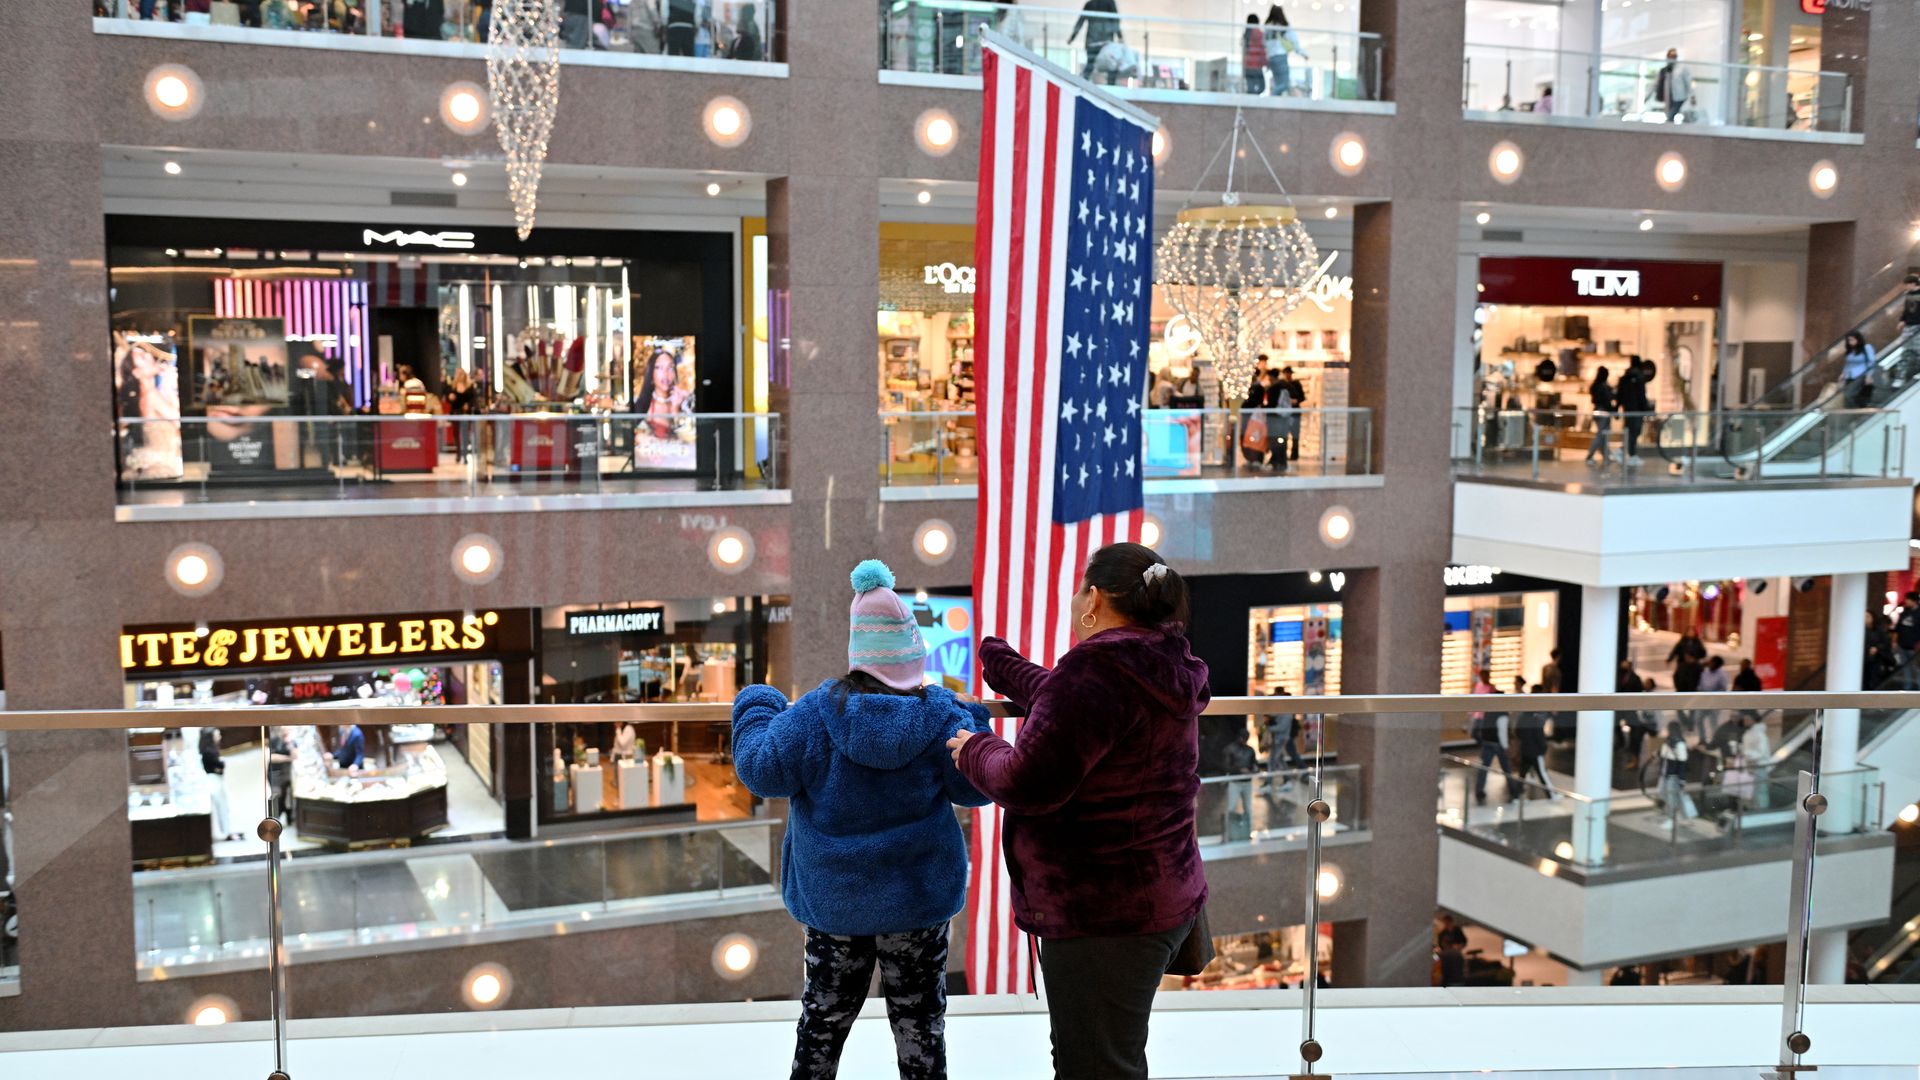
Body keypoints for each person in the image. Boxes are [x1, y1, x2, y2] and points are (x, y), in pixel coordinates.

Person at [948, 543, 1209, 1080]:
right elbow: (1075, 707)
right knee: (1107, 1056)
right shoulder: (1162, 661)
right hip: (1157, 895)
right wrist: (1004, 665)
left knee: (1094, 1067)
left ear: (1093, 599)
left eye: (1077, 590)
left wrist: (975, 746)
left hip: (1103, 913)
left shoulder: (1097, 668)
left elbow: (1027, 782)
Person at [732, 559, 990, 1080]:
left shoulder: (813, 714)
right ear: (914, 655)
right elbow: (975, 786)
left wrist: (758, 703)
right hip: (918, 903)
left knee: (823, 1024)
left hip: (835, 905)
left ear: (858, 653)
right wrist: (976, 719)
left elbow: (760, 769)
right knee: (920, 1026)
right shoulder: (943, 715)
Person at [1469, 669, 1512, 806]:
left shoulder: (1489, 711)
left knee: (1484, 768)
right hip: (1497, 744)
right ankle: (1514, 789)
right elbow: (1502, 732)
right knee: (1506, 768)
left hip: (1488, 741)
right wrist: (1506, 747)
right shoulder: (1502, 714)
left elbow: (1485, 726)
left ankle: (1479, 790)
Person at [198, 728, 244, 842]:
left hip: (216, 779)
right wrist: (221, 764)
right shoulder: (209, 752)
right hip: (214, 781)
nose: (220, 737)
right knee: (222, 807)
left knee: (224, 806)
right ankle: (227, 832)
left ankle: (228, 831)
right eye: (217, 735)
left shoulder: (209, 750)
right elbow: (219, 765)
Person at [1068, 0, 1121, 81]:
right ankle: (1109, 85)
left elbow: (1080, 21)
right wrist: (1120, 36)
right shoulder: (1109, 3)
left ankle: (1083, 83)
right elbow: (1115, 21)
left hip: (1093, 41)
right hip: (1104, 42)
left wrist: (1072, 37)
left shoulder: (1090, 4)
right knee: (1110, 65)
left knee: (1090, 65)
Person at [1615, 357, 1651, 465]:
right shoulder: (1639, 378)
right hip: (1636, 411)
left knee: (1630, 432)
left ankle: (1630, 454)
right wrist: (1646, 410)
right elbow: (1641, 396)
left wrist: (1617, 408)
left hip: (1627, 410)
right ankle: (1627, 453)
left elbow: (1619, 395)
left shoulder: (1625, 378)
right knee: (1634, 432)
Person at [1657, 722, 1695, 824]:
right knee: (1664, 794)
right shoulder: (1669, 741)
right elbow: (1663, 754)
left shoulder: (1679, 743)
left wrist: (1682, 779)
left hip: (1674, 775)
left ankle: (1676, 818)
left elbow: (1682, 763)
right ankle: (1676, 816)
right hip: (1666, 773)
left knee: (1674, 797)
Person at [1263, 6, 1305, 97]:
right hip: (1280, 56)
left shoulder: (1267, 27)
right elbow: (1294, 41)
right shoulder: (1284, 26)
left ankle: (1273, 99)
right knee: (1284, 84)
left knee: (1278, 83)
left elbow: (1264, 43)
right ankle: (1271, 97)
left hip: (1271, 58)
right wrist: (1302, 53)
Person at [1740, 713, 1773, 809]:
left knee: (1761, 790)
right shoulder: (1749, 733)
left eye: (1747, 719)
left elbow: (1762, 752)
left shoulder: (1759, 734)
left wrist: (1746, 754)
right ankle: (1757, 809)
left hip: (1760, 766)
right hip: (1752, 766)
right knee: (1754, 791)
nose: (1745, 721)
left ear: (1753, 720)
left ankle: (1762, 811)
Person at [1585, 366, 1615, 465]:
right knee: (1601, 435)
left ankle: (1605, 455)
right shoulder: (1603, 386)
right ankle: (1590, 455)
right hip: (1603, 412)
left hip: (1598, 410)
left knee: (1603, 435)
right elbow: (1607, 400)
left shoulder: (1596, 385)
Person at [1276, 365, 1307, 461]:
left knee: (1295, 434)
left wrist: (1295, 401)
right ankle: (1283, 454)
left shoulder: (1296, 384)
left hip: (1294, 413)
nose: (1288, 375)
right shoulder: (1281, 385)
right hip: (1285, 413)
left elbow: (1302, 397)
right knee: (1283, 435)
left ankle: (1294, 455)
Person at [1654, 49, 1692, 124]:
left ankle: (1667, 126)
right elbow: (1657, 83)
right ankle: (1670, 127)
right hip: (1668, 96)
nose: (1672, 58)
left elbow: (1688, 82)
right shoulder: (1666, 69)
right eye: (1670, 56)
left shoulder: (1682, 68)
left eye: (1674, 56)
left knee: (1670, 116)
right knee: (1670, 115)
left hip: (1680, 96)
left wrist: (1692, 95)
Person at [1841, 331, 1876, 408]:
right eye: (1849, 340)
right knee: (1849, 397)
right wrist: (1843, 373)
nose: (1850, 342)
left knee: (1848, 395)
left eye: (1852, 340)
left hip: (1861, 375)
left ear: (1858, 339)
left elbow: (1872, 361)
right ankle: (1854, 412)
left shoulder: (1866, 347)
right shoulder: (1851, 350)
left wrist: (1869, 375)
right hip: (1849, 376)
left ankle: (1855, 412)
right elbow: (1848, 364)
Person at [267, 727, 294, 822]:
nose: (285, 732)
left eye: (287, 730)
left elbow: (295, 756)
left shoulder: (290, 742)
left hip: (286, 772)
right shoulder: (274, 740)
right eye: (283, 730)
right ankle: (275, 818)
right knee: (277, 795)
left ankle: (288, 816)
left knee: (286, 795)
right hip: (274, 772)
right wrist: (288, 759)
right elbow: (272, 757)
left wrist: (290, 745)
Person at [1242, 16, 1268, 96]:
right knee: (1262, 87)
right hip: (1257, 65)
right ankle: (1253, 99)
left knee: (1251, 89)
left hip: (1248, 65)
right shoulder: (1259, 33)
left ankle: (1251, 100)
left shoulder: (1246, 34)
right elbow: (1262, 49)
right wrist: (1265, 63)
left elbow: (1244, 52)